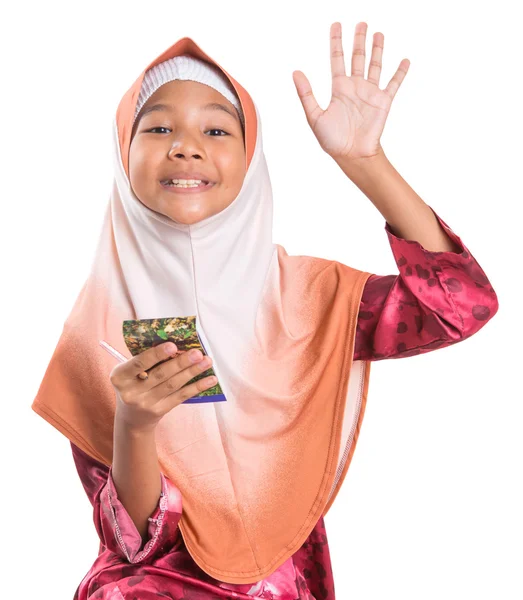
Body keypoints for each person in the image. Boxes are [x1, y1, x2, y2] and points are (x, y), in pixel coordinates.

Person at [32, 22, 498, 600]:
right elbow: (134, 546)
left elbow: (458, 304)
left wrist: (366, 162)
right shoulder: (97, 324)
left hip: (281, 585)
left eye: (216, 129)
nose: (186, 144)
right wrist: (136, 423)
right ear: (121, 152)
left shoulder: (312, 300)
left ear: (251, 157)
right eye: (156, 127)